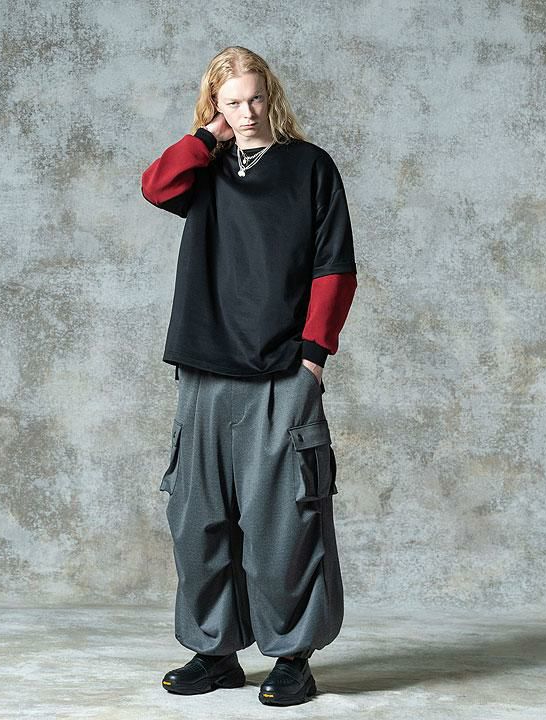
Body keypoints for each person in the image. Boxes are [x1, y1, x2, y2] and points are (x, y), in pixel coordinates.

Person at [141, 46, 357, 707]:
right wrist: (209, 135)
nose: (248, 111)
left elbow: (335, 265)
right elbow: (156, 187)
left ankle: (292, 657)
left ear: (272, 96)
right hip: (205, 369)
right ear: (216, 105)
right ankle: (215, 653)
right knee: (197, 519)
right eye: (233, 102)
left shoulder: (309, 166)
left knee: (284, 523)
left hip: (281, 369)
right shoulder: (203, 168)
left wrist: (313, 357)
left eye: (256, 98)